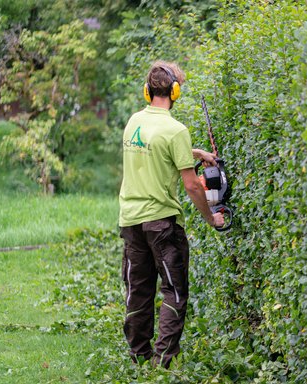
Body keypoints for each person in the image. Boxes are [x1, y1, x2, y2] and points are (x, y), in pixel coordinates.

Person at [118, 60, 224, 368]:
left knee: (138, 290)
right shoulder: (176, 130)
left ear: (147, 91)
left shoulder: (134, 121)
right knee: (174, 290)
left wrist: (196, 153)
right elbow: (192, 185)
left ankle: (139, 357)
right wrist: (211, 217)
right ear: (175, 91)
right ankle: (163, 361)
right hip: (162, 222)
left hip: (131, 220)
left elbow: (153, 145)